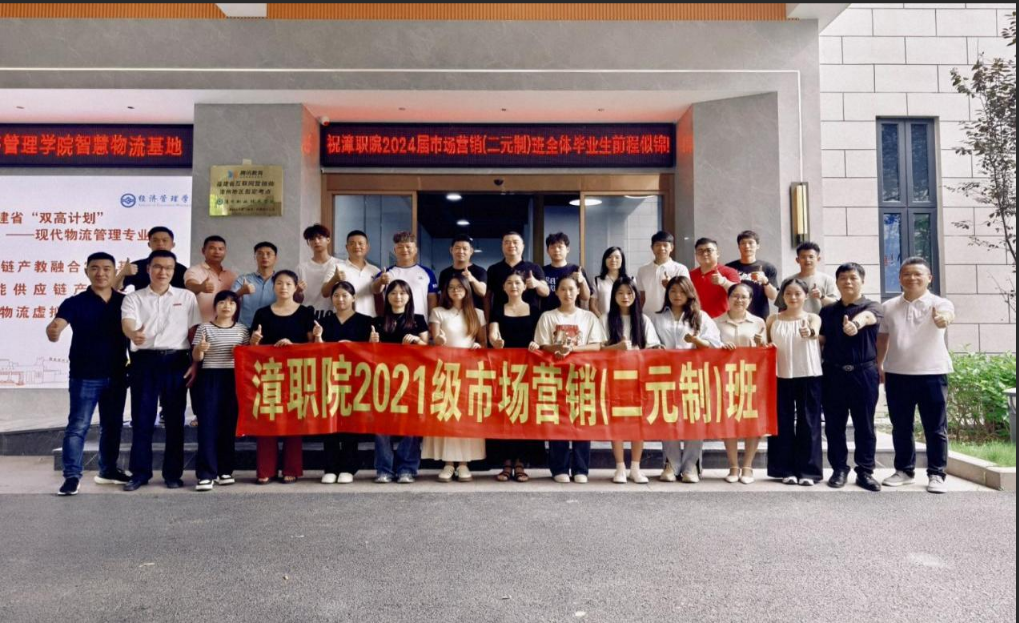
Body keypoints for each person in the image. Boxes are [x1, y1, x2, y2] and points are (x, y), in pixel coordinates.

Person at [48, 252, 130, 496]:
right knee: (78, 426)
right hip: (85, 375)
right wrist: (53, 330)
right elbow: (58, 324)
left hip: (117, 374)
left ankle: (108, 470)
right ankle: (72, 476)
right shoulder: (74, 302)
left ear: (114, 272)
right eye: (95, 268)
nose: (101, 273)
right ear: (86, 271)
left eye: (106, 268)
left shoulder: (126, 302)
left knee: (112, 426)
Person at [120, 250, 202, 491]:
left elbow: (194, 332)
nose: (162, 272)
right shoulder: (134, 298)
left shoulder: (186, 297)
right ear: (148, 269)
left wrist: (195, 363)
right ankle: (140, 473)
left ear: (174, 271)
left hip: (176, 362)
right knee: (142, 419)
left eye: (168, 268)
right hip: (144, 362)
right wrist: (133, 334)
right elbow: (127, 323)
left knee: (175, 421)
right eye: (157, 267)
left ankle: (173, 474)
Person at [877, 257, 956, 495]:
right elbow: (883, 339)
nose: (912, 278)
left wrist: (943, 319)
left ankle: (936, 473)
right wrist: (879, 365)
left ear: (929, 278)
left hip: (932, 373)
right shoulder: (888, 307)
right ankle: (904, 470)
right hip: (897, 374)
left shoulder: (940, 303)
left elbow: (947, 316)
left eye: (917, 274)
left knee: (935, 427)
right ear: (899, 278)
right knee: (901, 426)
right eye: (907, 274)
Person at [819, 263, 883, 492]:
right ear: (836, 282)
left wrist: (855, 324)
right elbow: (823, 339)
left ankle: (865, 471)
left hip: (863, 373)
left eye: (853, 278)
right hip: (833, 373)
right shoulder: (828, 311)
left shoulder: (872, 306)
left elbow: (868, 318)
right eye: (843, 278)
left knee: (864, 425)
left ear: (862, 281)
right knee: (834, 425)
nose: (848, 282)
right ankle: (839, 468)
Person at [534, 276, 605, 484]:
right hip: (555, 375)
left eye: (572, 289)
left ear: (578, 291)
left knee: (581, 420)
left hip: (582, 375)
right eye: (563, 289)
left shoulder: (589, 317)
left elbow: (597, 345)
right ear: (556, 292)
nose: (568, 293)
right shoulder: (548, 316)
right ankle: (559, 467)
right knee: (558, 419)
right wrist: (556, 348)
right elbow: (542, 344)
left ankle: (581, 468)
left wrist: (572, 349)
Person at [250, 270, 317, 484]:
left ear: (296, 287)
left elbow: (312, 346)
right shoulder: (262, 313)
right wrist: (254, 341)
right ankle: (265, 469)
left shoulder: (305, 313)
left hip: (296, 373)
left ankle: (291, 468)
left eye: (288, 283)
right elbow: (253, 346)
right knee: (267, 419)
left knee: (293, 422)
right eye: (279, 283)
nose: (284, 287)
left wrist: (293, 346)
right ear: (273, 286)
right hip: (269, 373)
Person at [653, 276, 721, 484]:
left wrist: (696, 341)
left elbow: (715, 344)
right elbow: (651, 341)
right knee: (668, 417)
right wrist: (657, 348)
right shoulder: (658, 317)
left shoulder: (701, 317)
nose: (677, 295)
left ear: (690, 293)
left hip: (693, 374)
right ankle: (671, 464)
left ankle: (691, 465)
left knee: (694, 418)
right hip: (665, 374)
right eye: (673, 291)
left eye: (682, 291)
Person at [424, 274, 488, 482]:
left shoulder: (477, 313)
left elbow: (483, 342)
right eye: (451, 287)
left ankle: (464, 463)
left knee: (466, 416)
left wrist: (478, 346)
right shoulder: (438, 312)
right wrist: (439, 340)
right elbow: (435, 340)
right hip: (444, 370)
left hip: (469, 371)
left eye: (459, 287)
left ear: (467, 289)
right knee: (446, 414)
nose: (455, 290)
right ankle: (448, 463)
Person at [601, 276, 661, 485]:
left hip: (639, 378)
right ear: (613, 296)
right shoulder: (606, 319)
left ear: (635, 295)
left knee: (638, 423)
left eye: (629, 292)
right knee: (617, 422)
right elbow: (597, 348)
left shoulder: (643, 320)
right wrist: (616, 348)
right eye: (620, 293)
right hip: (614, 378)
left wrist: (654, 350)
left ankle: (636, 467)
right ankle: (619, 467)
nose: (625, 297)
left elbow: (652, 347)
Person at [487, 271, 545, 483]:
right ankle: (506, 462)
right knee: (505, 412)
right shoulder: (497, 309)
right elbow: (493, 333)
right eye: (509, 283)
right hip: (503, 370)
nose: (513, 286)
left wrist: (537, 344)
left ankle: (520, 462)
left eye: (517, 283)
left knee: (524, 413)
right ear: (503, 287)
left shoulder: (535, 310)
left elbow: (541, 337)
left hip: (528, 369)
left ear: (525, 286)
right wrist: (495, 342)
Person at [370, 280, 430, 484]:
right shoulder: (378, 321)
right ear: (387, 297)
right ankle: (384, 469)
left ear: (409, 297)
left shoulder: (418, 320)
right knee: (382, 425)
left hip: (412, 379)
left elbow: (428, 348)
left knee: (411, 424)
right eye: (393, 293)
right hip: (384, 380)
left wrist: (417, 341)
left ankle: (407, 469)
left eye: (402, 293)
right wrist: (373, 343)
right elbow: (369, 353)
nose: (398, 297)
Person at [766, 278, 824, 487]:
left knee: (809, 422)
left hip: (809, 374)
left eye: (797, 293)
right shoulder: (772, 319)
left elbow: (814, 331)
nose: (792, 297)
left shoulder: (812, 317)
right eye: (788, 293)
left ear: (805, 296)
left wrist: (810, 333)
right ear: (782, 295)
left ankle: (808, 471)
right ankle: (785, 470)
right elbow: (766, 344)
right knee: (782, 422)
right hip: (779, 375)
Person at [190, 290, 249, 492]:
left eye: (231, 303)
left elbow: (247, 357)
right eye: (222, 302)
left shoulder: (242, 330)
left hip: (233, 379)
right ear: (215, 306)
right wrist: (200, 349)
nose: (226, 306)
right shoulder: (204, 328)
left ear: (236, 307)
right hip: (210, 378)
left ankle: (225, 471)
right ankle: (206, 474)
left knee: (228, 425)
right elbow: (196, 357)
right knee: (207, 426)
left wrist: (248, 348)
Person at [316, 281, 374, 485]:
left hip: (355, 378)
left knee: (351, 421)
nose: (340, 299)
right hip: (329, 377)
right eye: (336, 296)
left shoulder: (366, 321)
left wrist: (357, 346)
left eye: (345, 295)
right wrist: (318, 338)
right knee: (329, 421)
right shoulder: (323, 321)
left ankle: (349, 467)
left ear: (353, 298)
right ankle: (330, 467)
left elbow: (371, 352)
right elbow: (316, 351)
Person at [715, 283, 769, 485]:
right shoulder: (716, 322)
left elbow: (766, 350)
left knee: (752, 421)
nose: (739, 300)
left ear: (750, 300)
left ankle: (747, 466)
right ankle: (733, 466)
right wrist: (720, 347)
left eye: (744, 297)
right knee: (729, 420)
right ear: (728, 298)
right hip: (726, 378)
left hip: (752, 378)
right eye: (735, 296)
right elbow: (709, 349)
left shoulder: (759, 322)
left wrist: (761, 344)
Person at [372, 231, 439, 319]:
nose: (404, 250)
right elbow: (375, 290)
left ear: (415, 250)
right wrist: (380, 281)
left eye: (408, 247)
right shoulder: (386, 273)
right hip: (393, 323)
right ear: (395, 250)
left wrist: (432, 322)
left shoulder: (427, 273)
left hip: (420, 323)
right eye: (400, 247)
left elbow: (432, 299)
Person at [486, 231, 549, 317]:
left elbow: (546, 292)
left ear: (523, 246)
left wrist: (537, 284)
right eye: (507, 242)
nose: (511, 245)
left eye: (515, 242)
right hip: (500, 317)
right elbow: (487, 297)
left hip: (529, 318)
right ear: (502, 246)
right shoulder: (493, 269)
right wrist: (487, 318)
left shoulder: (534, 267)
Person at [321, 230, 380, 318]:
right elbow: (324, 293)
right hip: (343, 319)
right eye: (352, 243)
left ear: (367, 247)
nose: (357, 246)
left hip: (369, 318)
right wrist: (335, 279)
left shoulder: (375, 270)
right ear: (347, 247)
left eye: (360, 243)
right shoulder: (337, 267)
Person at [113, 225, 187, 292]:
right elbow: (114, 288)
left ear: (173, 244)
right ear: (149, 244)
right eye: (155, 240)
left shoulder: (182, 270)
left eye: (164, 240)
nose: (160, 243)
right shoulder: (137, 266)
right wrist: (122, 274)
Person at [725, 230, 779, 321]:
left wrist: (765, 281)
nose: (747, 246)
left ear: (758, 246)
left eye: (750, 243)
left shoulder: (768, 267)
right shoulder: (729, 268)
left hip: (760, 316)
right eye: (743, 243)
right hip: (734, 315)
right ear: (738, 246)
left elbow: (773, 296)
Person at [184, 235, 238, 322]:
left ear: (225, 252)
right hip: (200, 324)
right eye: (212, 248)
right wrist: (201, 287)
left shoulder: (231, 275)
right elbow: (190, 286)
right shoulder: (194, 270)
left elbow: (235, 299)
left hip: (226, 325)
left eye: (221, 249)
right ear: (203, 251)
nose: (217, 252)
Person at [636, 230, 689, 316]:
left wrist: (671, 285)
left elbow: (686, 294)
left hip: (670, 316)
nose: (661, 248)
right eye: (657, 245)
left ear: (671, 247)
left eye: (665, 245)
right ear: (652, 248)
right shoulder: (642, 270)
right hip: (647, 316)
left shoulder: (680, 269)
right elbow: (642, 297)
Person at [295, 223, 342, 319]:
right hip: (307, 316)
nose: (316, 241)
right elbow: (295, 299)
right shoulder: (301, 268)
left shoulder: (340, 264)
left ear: (328, 240)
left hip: (333, 316)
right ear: (308, 243)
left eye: (320, 238)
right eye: (312, 239)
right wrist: (298, 291)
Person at [777, 242, 838, 314]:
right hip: (794, 319)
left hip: (822, 319)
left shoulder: (828, 280)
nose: (807, 260)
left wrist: (821, 297)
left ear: (818, 259)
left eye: (811, 257)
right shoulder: (788, 281)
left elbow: (836, 304)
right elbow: (781, 307)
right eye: (803, 257)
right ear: (797, 260)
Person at [689, 237, 740, 319]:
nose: (704, 254)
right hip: (696, 320)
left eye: (708, 250)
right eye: (700, 251)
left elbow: (738, 293)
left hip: (721, 321)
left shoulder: (729, 271)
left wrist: (723, 282)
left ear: (717, 253)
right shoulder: (690, 274)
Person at [541, 232, 591, 313]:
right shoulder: (542, 271)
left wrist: (582, 281)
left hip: (571, 315)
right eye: (553, 247)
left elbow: (585, 297)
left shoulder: (576, 269)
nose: (556, 250)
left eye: (560, 247)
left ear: (567, 249)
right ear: (547, 251)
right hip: (548, 314)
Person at [233, 241, 279, 328]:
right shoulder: (243, 279)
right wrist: (241, 292)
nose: (264, 257)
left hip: (274, 327)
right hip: (246, 327)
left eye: (268, 254)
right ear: (255, 257)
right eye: (260, 253)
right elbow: (228, 299)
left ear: (276, 258)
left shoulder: (282, 281)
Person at [438, 234, 488, 312]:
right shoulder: (445, 273)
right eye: (457, 248)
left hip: (473, 315)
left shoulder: (479, 271)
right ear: (451, 250)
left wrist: (472, 279)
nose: (461, 251)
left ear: (471, 251)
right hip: (450, 315)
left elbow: (482, 292)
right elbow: (442, 296)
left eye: (465, 249)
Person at [591, 246, 627, 318]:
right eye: (609, 257)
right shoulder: (597, 281)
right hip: (604, 320)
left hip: (625, 320)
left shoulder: (630, 281)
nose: (613, 260)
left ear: (622, 260)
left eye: (617, 257)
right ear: (604, 260)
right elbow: (592, 306)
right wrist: (603, 320)